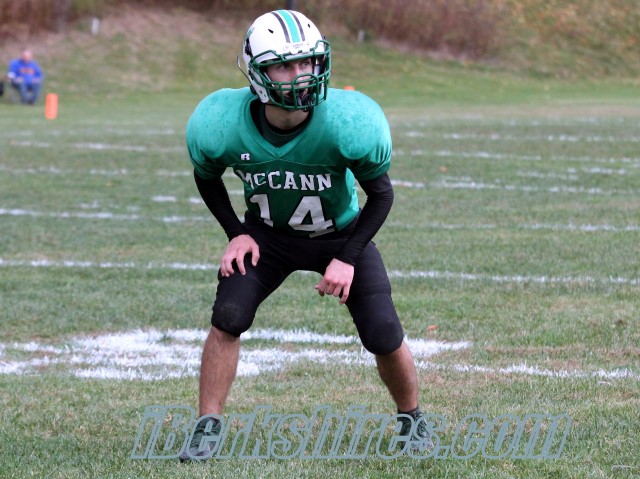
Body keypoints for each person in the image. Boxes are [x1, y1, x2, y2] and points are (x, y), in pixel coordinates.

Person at [180, 10, 432, 461]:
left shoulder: (346, 121)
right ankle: (207, 426)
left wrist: (348, 257)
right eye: (285, 65)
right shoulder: (221, 122)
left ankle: (413, 419)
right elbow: (206, 176)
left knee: (383, 331)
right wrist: (236, 233)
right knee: (229, 315)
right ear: (256, 72)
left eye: (307, 62)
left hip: (340, 235)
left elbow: (381, 195)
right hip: (267, 235)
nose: (301, 75)